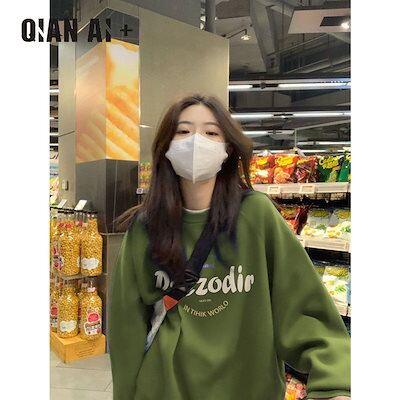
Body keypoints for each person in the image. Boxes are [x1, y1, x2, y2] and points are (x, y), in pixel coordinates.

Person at [108, 94, 351, 400]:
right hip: (164, 388)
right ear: (165, 147)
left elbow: (303, 306)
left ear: (227, 148)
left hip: (248, 388)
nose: (196, 141)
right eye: (183, 131)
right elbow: (126, 327)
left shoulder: (256, 216)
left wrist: (334, 384)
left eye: (211, 132)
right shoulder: (146, 227)